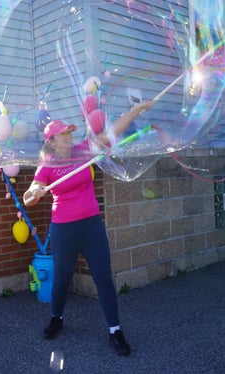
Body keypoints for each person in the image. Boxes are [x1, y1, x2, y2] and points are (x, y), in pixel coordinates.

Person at [23, 100, 153, 356]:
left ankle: (115, 330)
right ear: (51, 141)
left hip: (91, 225)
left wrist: (135, 111)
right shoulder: (46, 166)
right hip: (64, 230)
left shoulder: (83, 150)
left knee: (103, 277)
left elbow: (111, 133)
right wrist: (34, 192)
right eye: (63, 135)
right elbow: (29, 197)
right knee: (61, 280)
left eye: (70, 133)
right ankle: (56, 317)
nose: (69, 138)